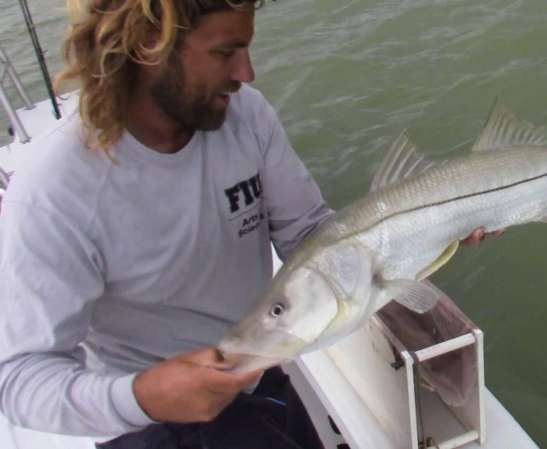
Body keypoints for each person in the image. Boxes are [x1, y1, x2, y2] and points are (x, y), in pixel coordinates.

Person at [0, 1, 498, 447]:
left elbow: (308, 233)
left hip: (260, 370)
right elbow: (19, 381)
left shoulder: (244, 117)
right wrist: (144, 396)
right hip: (154, 425)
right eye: (225, 52)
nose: (247, 73)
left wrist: (436, 227)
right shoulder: (53, 194)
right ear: (149, 44)